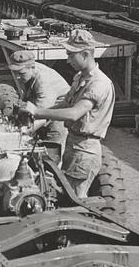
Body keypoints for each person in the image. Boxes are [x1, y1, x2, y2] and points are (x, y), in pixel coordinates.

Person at [19, 29, 115, 198]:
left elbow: (73, 114)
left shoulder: (99, 84)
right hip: (73, 144)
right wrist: (36, 116)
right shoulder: (80, 77)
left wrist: (37, 111)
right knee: (63, 194)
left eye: (71, 55)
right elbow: (64, 104)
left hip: (85, 151)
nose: (68, 59)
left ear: (85, 54)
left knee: (75, 201)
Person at [8, 50, 70, 151]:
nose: (17, 77)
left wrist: (20, 132)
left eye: (21, 73)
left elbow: (42, 115)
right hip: (43, 108)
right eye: (15, 73)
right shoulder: (27, 73)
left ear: (32, 67)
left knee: (51, 150)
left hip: (58, 114)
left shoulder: (44, 82)